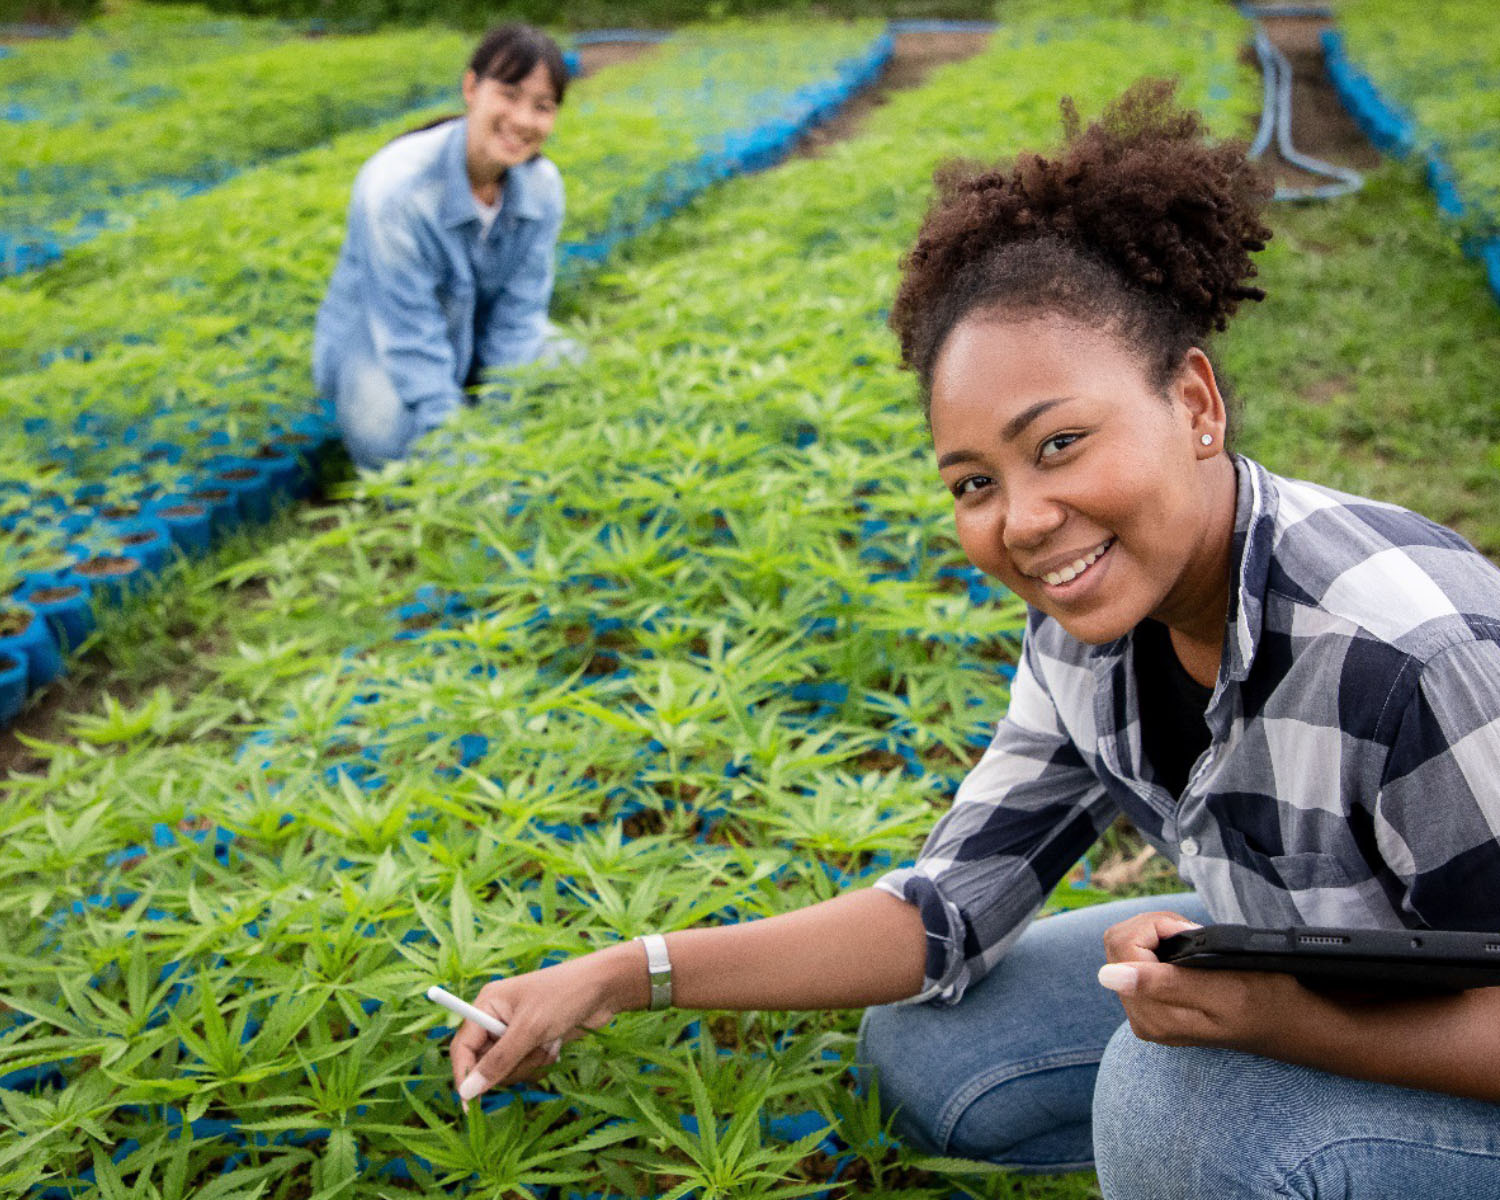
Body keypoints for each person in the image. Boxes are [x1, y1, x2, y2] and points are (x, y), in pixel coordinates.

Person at [444, 81, 1500, 1197]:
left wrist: (1282, 1024)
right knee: (928, 1049)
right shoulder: (1090, 633)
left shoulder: (1410, 651)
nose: (1023, 522)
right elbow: (942, 911)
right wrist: (623, 974)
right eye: (973, 482)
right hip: (1338, 953)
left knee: (1178, 1104)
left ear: (1196, 402)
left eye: (1059, 444)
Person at [313, 24, 579, 470]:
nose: (522, 120)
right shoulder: (397, 187)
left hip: (473, 340)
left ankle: (465, 411)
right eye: (509, 95)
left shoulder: (542, 186)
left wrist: (501, 421)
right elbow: (407, 336)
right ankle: (444, 425)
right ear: (471, 87)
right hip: (382, 343)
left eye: (542, 106)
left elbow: (520, 315)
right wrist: (465, 450)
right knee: (384, 430)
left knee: (571, 363)